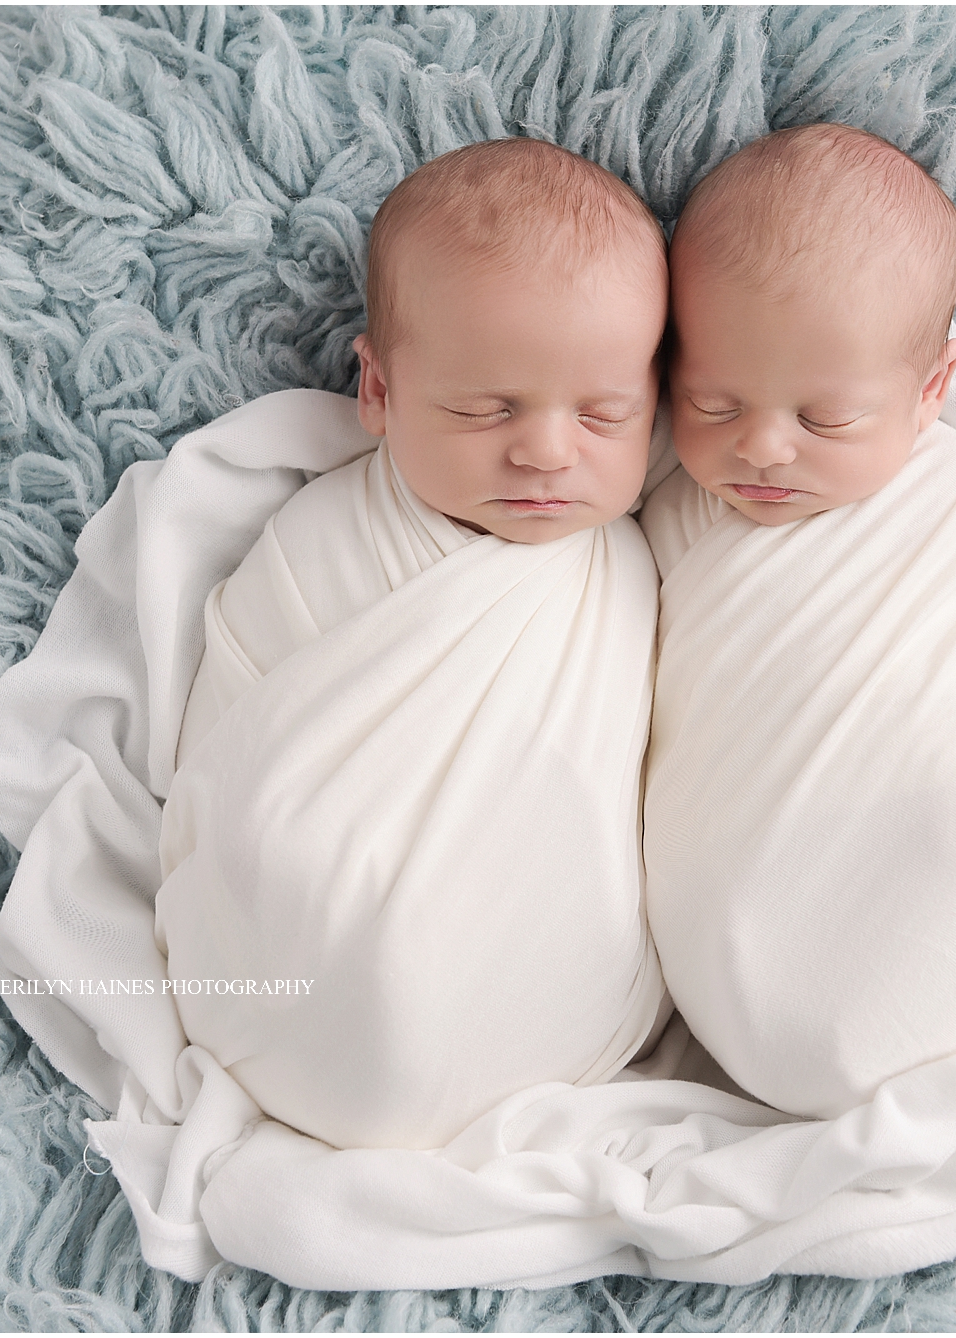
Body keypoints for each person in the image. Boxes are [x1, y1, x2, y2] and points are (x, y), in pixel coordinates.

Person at [155, 137, 671, 1150]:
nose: (544, 450)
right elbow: (233, 748)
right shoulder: (314, 541)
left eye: (604, 415)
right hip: (299, 958)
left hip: (543, 997)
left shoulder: (632, 564)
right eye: (484, 409)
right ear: (380, 392)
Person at [640, 123, 956, 1119]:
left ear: (930, 393)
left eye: (823, 421)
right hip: (759, 902)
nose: (763, 450)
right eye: (712, 403)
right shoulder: (665, 501)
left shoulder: (952, 496)